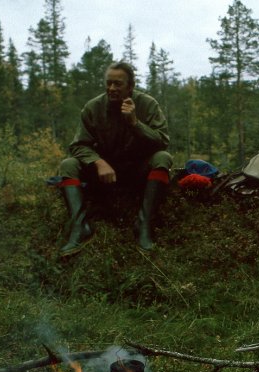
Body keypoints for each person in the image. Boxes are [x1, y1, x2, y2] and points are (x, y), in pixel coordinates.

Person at [55, 61, 173, 256]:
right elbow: (78, 145)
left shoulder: (147, 104)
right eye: (108, 83)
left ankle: (143, 224)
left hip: (136, 171)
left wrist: (135, 123)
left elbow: (162, 142)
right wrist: (98, 162)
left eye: (118, 84)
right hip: (103, 174)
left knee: (163, 158)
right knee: (68, 165)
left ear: (131, 86)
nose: (111, 88)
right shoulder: (93, 107)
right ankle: (80, 226)